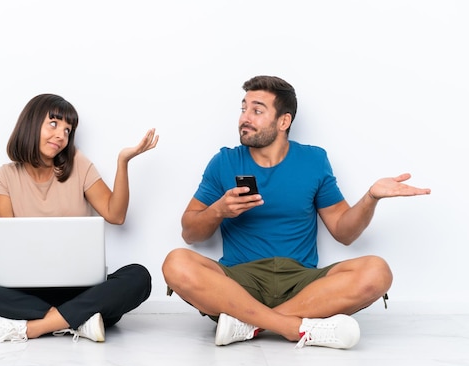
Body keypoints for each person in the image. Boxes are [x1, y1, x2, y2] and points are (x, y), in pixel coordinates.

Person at [162, 75, 430, 349]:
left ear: (283, 122)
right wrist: (218, 210)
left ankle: (250, 324)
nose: (245, 118)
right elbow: (190, 233)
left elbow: (344, 232)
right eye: (243, 109)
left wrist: (371, 198)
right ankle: (293, 328)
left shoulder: (313, 160)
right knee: (176, 262)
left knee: (377, 271)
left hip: (302, 283)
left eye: (257, 110)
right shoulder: (224, 162)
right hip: (239, 283)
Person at [0, 93, 158, 344]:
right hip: (27, 291)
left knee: (138, 276)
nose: (61, 135)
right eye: (54, 124)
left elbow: (115, 215)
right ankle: (77, 321)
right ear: (31, 123)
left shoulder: (78, 164)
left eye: (68, 130)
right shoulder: (6, 175)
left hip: (78, 290)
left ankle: (30, 328)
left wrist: (122, 162)